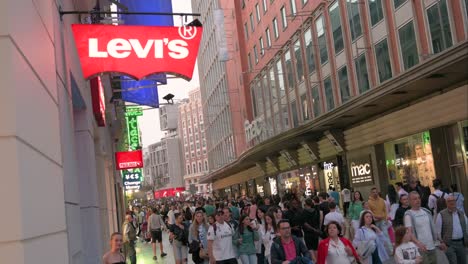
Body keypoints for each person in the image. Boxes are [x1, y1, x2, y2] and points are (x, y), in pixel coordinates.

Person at [404, 191, 446, 264]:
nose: (418, 200)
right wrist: (419, 243)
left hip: (432, 246)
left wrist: (440, 241)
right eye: (415, 199)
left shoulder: (426, 212)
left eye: (419, 198)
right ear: (410, 201)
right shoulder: (408, 215)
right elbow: (409, 233)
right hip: (420, 249)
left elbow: (433, 228)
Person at [436, 194, 468, 264]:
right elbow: (437, 231)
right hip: (449, 244)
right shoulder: (441, 214)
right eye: (449, 201)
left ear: (455, 202)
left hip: (461, 243)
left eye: (453, 200)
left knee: (463, 262)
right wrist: (441, 242)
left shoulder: (461, 213)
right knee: (453, 262)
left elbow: (466, 226)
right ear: (446, 203)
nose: (452, 202)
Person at [368, 187, 392, 252]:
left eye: (376, 192)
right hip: (375, 221)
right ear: (371, 193)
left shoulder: (381, 200)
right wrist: (377, 216)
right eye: (373, 192)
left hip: (382, 220)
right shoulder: (369, 202)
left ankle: (391, 250)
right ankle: (379, 251)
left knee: (386, 234)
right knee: (376, 236)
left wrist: (386, 217)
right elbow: (370, 212)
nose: (375, 193)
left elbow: (385, 210)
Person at [302, 197, 322, 262]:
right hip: (315, 232)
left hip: (308, 233)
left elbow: (304, 223)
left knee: (310, 249)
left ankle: (315, 261)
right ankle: (318, 261)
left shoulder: (304, 212)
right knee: (316, 248)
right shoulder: (315, 211)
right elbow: (319, 220)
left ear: (305, 204)